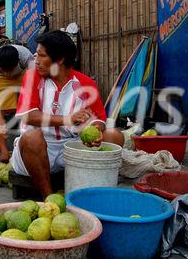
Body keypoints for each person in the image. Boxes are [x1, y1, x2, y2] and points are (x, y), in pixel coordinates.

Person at [11, 30, 124, 197]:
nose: (37, 61)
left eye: (42, 56)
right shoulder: (32, 76)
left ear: (60, 59)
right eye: (36, 55)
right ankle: (49, 199)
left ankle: (93, 192)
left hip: (71, 148)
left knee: (115, 136)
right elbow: (28, 116)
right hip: (35, 152)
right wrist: (67, 119)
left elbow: (98, 120)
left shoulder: (85, 83)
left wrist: (97, 130)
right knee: (32, 137)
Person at [0, 44, 34, 162]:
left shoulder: (27, 58)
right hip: (2, 81)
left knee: (28, 109)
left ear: (17, 61)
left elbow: (36, 83)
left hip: (23, 76)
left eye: (10, 70)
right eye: (4, 70)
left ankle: (25, 150)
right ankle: (4, 152)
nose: (8, 73)